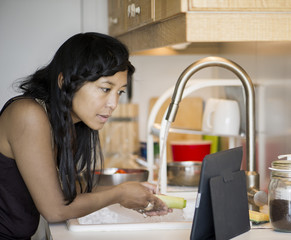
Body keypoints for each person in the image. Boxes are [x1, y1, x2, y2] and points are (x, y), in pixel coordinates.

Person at [0, 32, 170, 240]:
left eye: (119, 92)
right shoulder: (28, 114)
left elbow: (64, 189)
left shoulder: (67, 123)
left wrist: (125, 190)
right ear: (64, 81)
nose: (113, 104)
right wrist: (119, 194)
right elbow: (55, 209)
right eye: (105, 89)